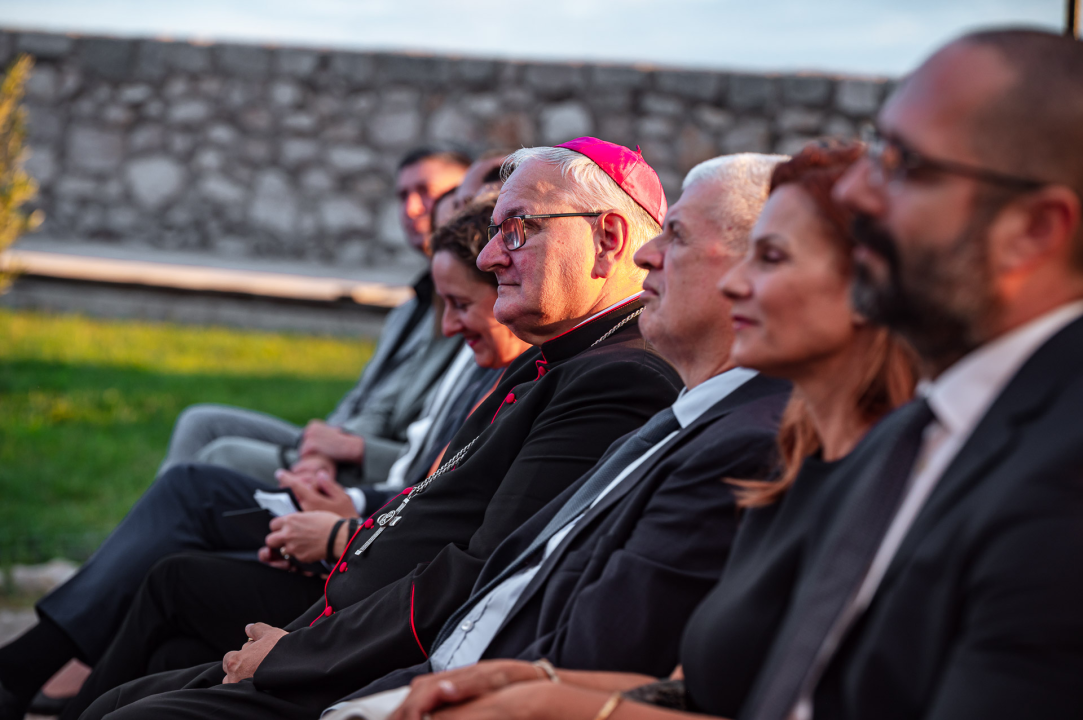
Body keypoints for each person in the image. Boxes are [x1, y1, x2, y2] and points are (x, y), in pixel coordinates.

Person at [68, 137, 684, 720]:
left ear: (608, 236)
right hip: (343, 626)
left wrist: (295, 653)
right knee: (130, 688)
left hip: (382, 671)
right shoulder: (568, 357)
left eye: (516, 229)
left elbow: (482, 576)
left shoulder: (617, 377)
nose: (492, 255)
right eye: (494, 232)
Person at [372, 141, 920, 720]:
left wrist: (543, 697)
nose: (646, 257)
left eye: (771, 257)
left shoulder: (752, 441)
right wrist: (536, 681)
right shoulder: (764, 437)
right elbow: (697, 683)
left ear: (865, 289)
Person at [315, 152, 791, 716]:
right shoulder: (633, 387)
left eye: (515, 231)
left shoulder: (642, 388)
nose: (648, 256)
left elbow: (519, 598)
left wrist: (303, 657)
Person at [38, 198, 525, 720]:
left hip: (376, 575)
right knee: (170, 624)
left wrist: (344, 527)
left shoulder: (532, 374)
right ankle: (62, 660)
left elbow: (444, 510)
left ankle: (46, 663)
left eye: (461, 305)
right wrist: (329, 462)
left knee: (179, 552)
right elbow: (392, 426)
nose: (449, 326)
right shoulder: (485, 351)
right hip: (366, 530)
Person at [159, 146, 472, 488]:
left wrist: (339, 447)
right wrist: (322, 440)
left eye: (427, 192)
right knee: (200, 423)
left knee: (220, 458)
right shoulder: (412, 306)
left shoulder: (467, 315)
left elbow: (401, 421)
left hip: (374, 461)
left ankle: (162, 535)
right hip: (341, 439)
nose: (412, 209)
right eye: (402, 196)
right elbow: (363, 397)